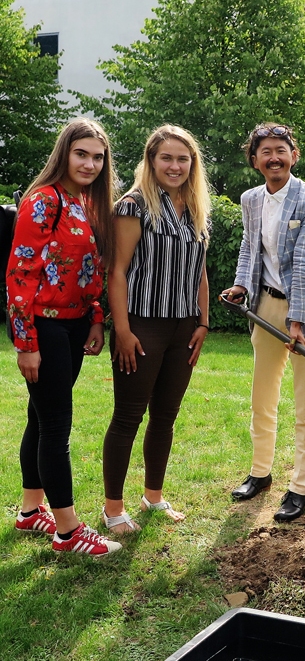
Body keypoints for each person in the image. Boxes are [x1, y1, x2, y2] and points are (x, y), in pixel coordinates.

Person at [8, 118, 122, 556]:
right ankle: (68, 531)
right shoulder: (44, 200)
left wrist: (96, 319)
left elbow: (91, 270)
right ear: (64, 154)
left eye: (98, 156)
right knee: (56, 426)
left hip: (75, 327)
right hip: (45, 326)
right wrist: (27, 343)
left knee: (40, 418)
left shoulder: (88, 204)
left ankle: (30, 511)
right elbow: (19, 274)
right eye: (82, 154)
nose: (90, 163)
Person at [222, 123, 305, 522]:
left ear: (294, 155)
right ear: (255, 161)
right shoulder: (251, 199)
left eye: (281, 150)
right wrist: (241, 285)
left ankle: (300, 487)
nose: (274, 157)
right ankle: (260, 473)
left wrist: (297, 320)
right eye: (265, 151)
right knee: (262, 396)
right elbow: (248, 245)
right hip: (265, 306)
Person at [99, 125, 211, 534]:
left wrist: (203, 321)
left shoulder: (196, 208)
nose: (175, 165)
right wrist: (124, 331)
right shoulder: (134, 206)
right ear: (151, 161)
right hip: (142, 324)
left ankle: (154, 497)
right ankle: (113, 509)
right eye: (167, 158)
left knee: (165, 416)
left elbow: (200, 272)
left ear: (192, 164)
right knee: (128, 416)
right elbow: (118, 272)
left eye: (183, 159)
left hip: (184, 328)